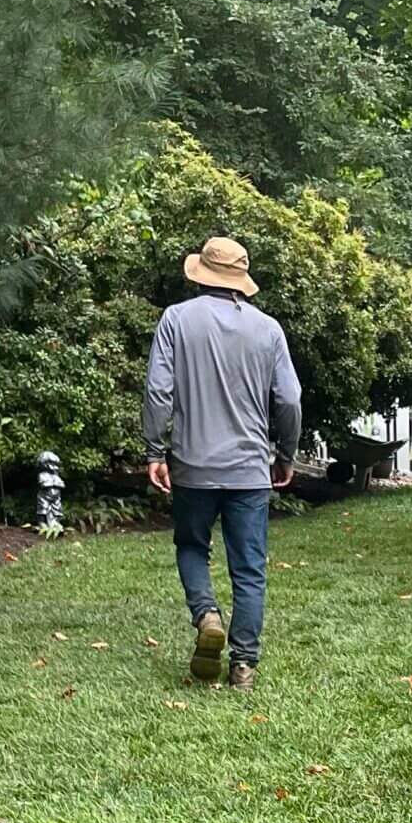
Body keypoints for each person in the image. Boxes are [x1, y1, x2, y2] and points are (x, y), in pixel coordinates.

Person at [143, 235, 303, 690]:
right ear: (240, 279)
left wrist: (156, 450)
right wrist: (285, 454)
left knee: (192, 547)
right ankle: (244, 665)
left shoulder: (176, 319)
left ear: (201, 274)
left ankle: (207, 613)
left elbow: (158, 391)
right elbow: (289, 399)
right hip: (250, 467)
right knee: (249, 567)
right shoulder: (269, 330)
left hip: (192, 465)